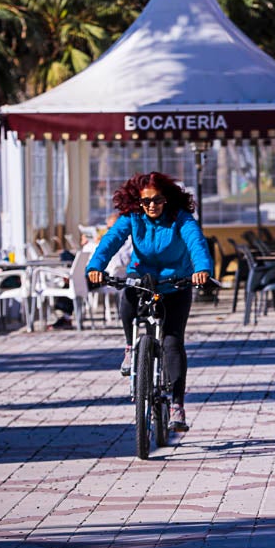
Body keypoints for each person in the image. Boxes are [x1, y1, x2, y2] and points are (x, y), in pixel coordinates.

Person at [87, 172, 213, 430]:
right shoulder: (132, 218)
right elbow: (110, 241)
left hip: (176, 281)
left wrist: (201, 269)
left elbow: (196, 243)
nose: (152, 206)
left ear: (167, 199)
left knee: (172, 341)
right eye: (146, 202)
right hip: (144, 277)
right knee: (128, 293)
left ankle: (177, 406)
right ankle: (130, 348)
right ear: (138, 202)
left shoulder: (181, 219)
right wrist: (96, 266)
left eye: (157, 200)